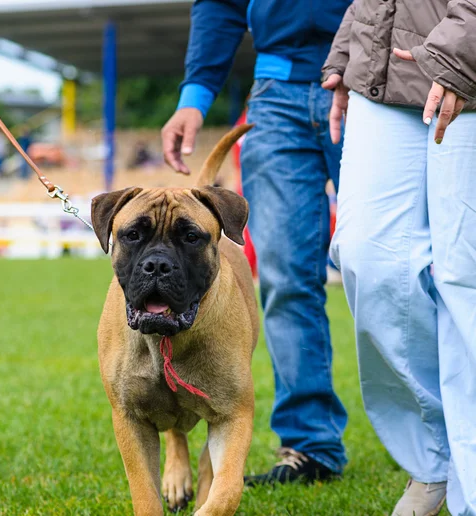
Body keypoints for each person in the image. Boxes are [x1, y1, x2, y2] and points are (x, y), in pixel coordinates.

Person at [161, 0, 351, 485]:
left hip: (372, 82)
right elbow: (221, 4)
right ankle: (310, 446)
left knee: (387, 269)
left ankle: (441, 439)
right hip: (276, 94)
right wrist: (194, 96)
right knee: (286, 280)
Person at [322, 1, 476, 514]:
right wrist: (349, 53)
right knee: (367, 256)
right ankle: (431, 459)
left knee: (464, 277)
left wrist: (461, 51)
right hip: (385, 70)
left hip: (468, 58)